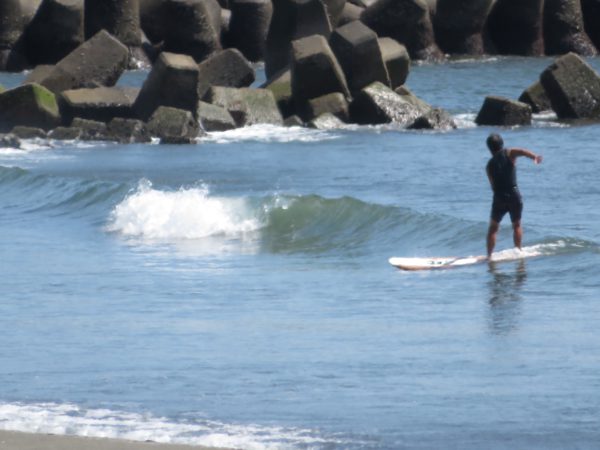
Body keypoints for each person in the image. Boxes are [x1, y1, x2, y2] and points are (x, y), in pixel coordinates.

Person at [485, 133, 542, 258]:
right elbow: (522, 151)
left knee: (493, 228)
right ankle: (518, 250)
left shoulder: (489, 165)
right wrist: (535, 157)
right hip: (514, 194)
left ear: (489, 148)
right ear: (502, 144)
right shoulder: (509, 153)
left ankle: (489, 256)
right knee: (516, 225)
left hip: (499, 196)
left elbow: (492, 184)